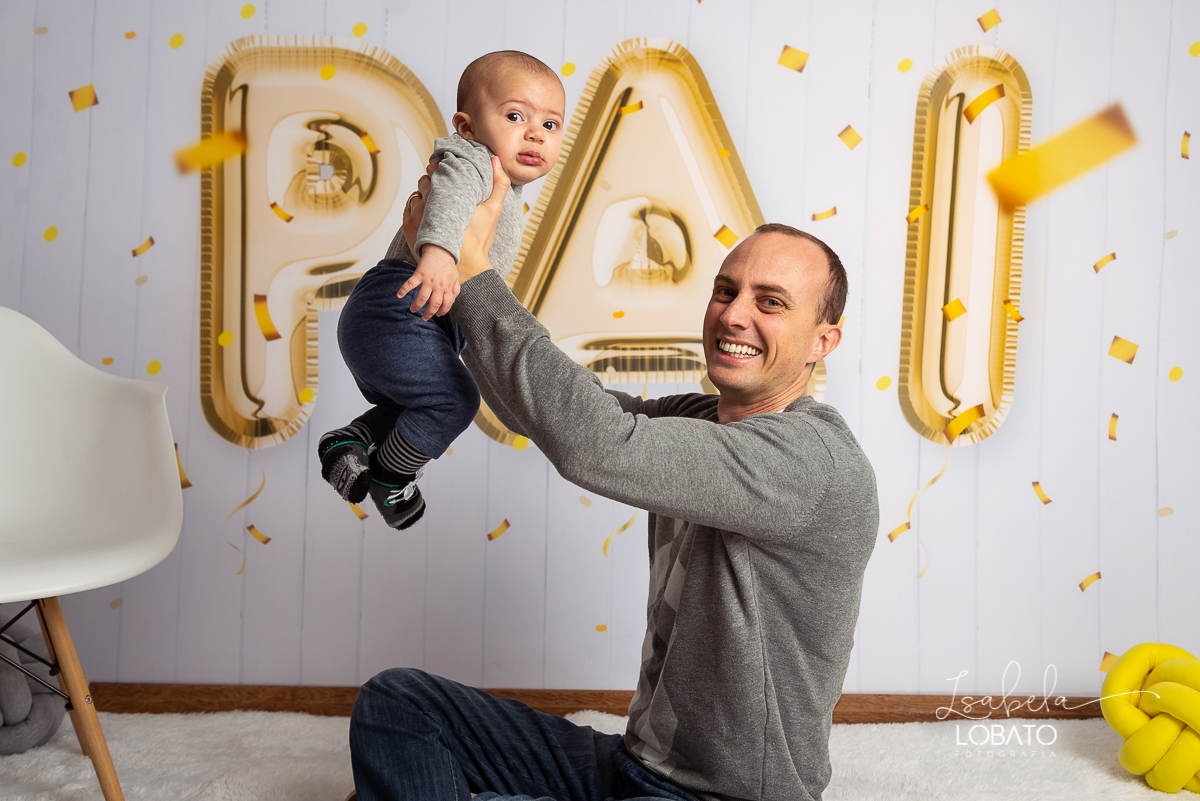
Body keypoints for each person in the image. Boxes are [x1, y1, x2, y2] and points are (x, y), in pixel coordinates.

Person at [348, 159, 879, 801]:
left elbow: (593, 445)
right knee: (398, 704)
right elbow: (551, 414)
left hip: (721, 796)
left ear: (823, 341)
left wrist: (474, 268)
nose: (735, 315)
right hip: (635, 765)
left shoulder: (810, 461)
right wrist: (446, 274)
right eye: (725, 291)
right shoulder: (700, 418)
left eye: (770, 302)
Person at [317, 51, 565, 529]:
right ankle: (391, 475)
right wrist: (438, 255)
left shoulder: (503, 183)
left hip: (416, 317)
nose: (536, 133)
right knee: (455, 400)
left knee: (417, 405)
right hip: (401, 304)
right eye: (516, 116)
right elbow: (448, 195)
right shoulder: (472, 159)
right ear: (467, 126)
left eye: (550, 125)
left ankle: (350, 443)